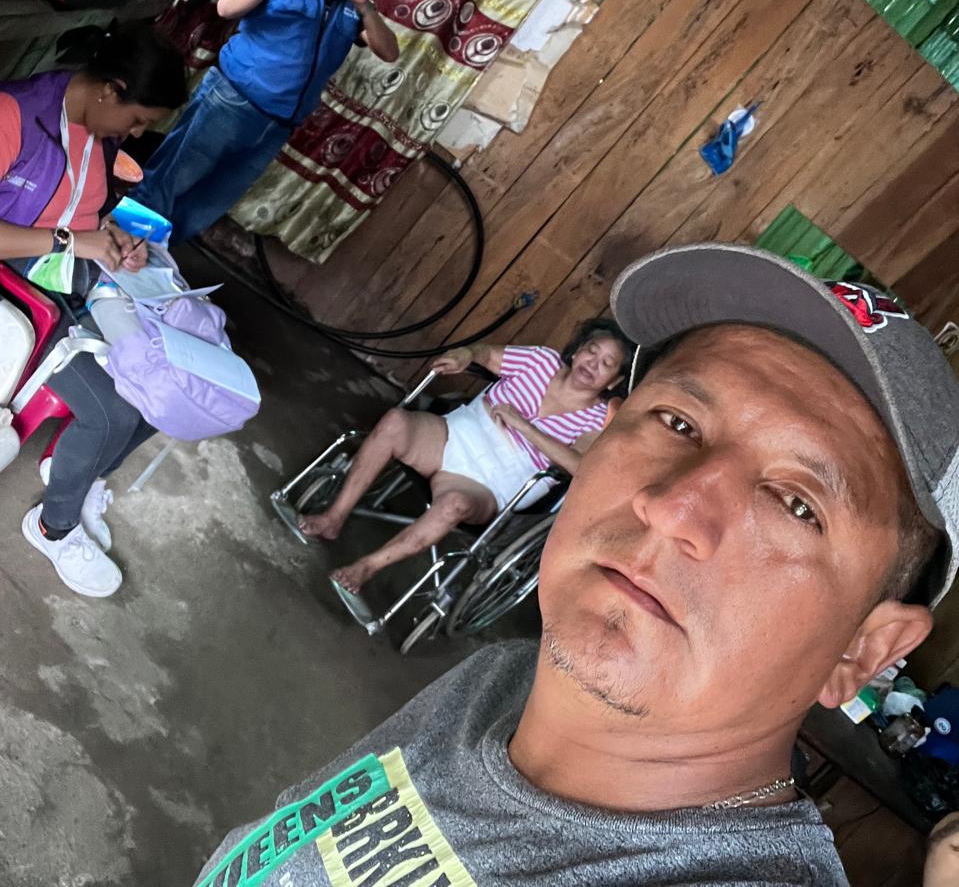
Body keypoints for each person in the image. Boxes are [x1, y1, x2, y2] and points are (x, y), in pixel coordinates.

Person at [195, 242, 959, 887]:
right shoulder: (498, 682)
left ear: (862, 649)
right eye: (676, 421)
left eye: (796, 504)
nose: (672, 508)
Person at [0, 23, 187, 598]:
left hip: (67, 283)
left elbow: (84, 213)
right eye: (138, 120)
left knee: (170, 384)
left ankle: (78, 472)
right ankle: (53, 527)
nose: (136, 133)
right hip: (22, 296)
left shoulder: (97, 133)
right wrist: (70, 243)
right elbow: (60, 231)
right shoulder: (14, 115)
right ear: (110, 90)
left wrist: (112, 239)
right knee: (112, 411)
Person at [300, 320, 634, 618]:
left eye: (607, 364)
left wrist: (524, 426)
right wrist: (466, 354)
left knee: (453, 505)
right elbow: (485, 354)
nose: (593, 364)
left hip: (495, 481)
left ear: (614, 380)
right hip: (455, 435)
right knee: (395, 423)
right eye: (591, 351)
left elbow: (580, 466)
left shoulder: (597, 419)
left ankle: (367, 566)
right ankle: (334, 517)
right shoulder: (541, 361)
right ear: (577, 350)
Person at [135, 0, 400, 244]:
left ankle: (149, 261)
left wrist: (364, 7)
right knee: (168, 181)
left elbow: (389, 51)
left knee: (205, 205)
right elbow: (226, 7)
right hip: (230, 100)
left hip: (276, 126)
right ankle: (113, 252)